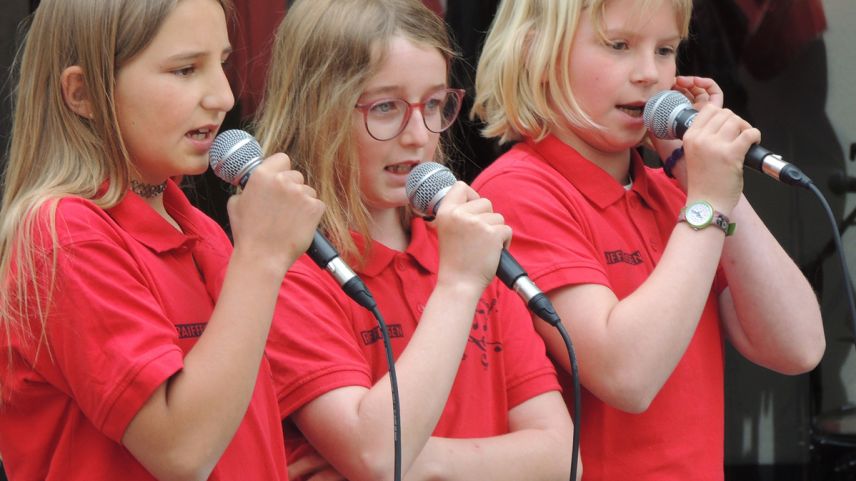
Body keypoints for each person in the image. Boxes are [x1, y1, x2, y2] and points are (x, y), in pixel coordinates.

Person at [470, 0, 826, 480]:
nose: (648, 73)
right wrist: (706, 203)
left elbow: (797, 345)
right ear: (537, 51)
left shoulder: (677, 192)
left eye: (665, 50)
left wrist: (701, 172)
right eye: (619, 46)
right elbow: (627, 376)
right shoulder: (515, 192)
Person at [0, 0, 323, 480]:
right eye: (185, 69)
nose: (223, 97)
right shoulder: (63, 235)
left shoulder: (197, 226)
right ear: (83, 92)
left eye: (223, 64)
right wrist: (261, 256)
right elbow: (182, 451)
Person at [254, 1, 577, 480]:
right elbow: (378, 454)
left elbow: (563, 458)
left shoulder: (464, 247)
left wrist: (422, 465)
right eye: (385, 107)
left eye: (433, 104)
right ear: (316, 108)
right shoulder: (288, 267)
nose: (417, 134)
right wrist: (459, 286)